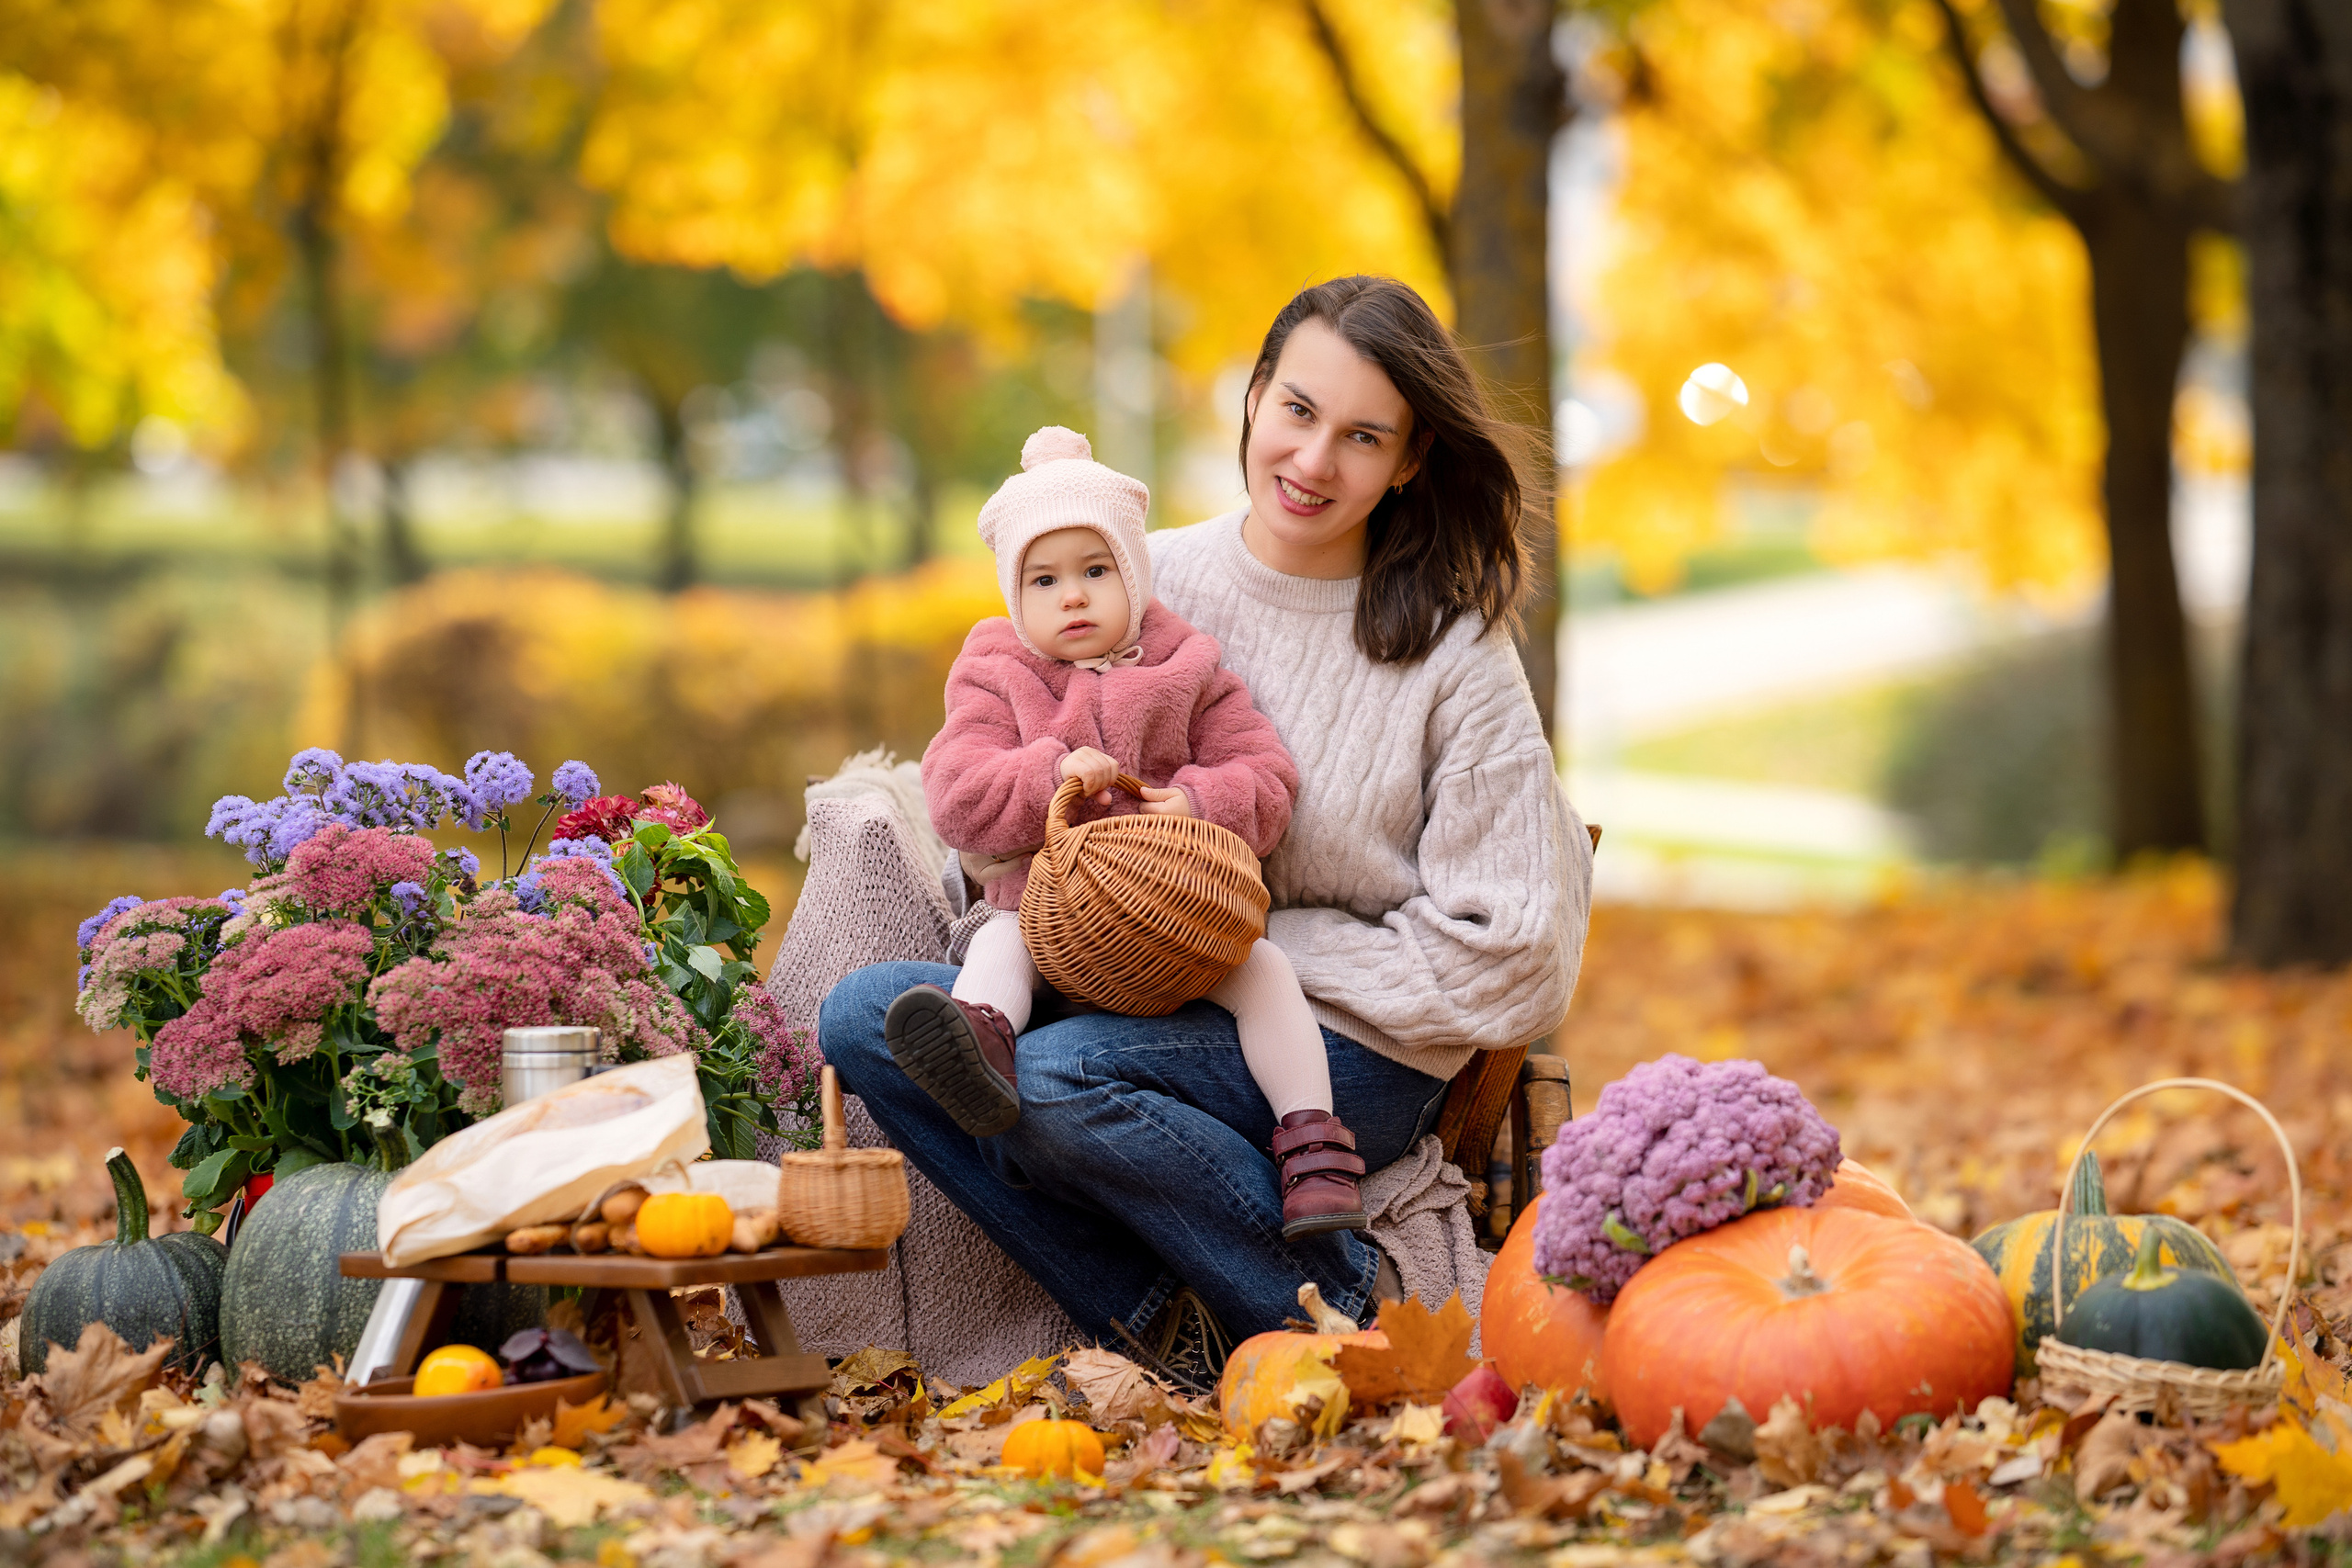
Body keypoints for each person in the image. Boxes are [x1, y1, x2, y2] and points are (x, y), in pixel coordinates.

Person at [819, 275, 1591, 1363]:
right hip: (1120, 981)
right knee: (864, 1017)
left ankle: (1340, 1312)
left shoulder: (1451, 651)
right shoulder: (1136, 576)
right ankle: (1163, 1320)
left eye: (1363, 436)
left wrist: (1259, 944)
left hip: (1343, 1044)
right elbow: (983, 801)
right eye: (1298, 411)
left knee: (1056, 1076)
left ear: (1411, 460)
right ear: (1253, 399)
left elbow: (1519, 957)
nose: (1314, 462)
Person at [884, 423, 1371, 1238]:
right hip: (1050, 922)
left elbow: (1268, 778)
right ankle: (982, 1047)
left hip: (1177, 924)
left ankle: (1312, 1143)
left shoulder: (1188, 665)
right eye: (1044, 579)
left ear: (1135, 573)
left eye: (1096, 569)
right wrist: (1049, 773)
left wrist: (1196, 801)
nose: (1072, 595)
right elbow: (956, 793)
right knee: (995, 946)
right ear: (1014, 592)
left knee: (1267, 969)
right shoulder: (996, 670)